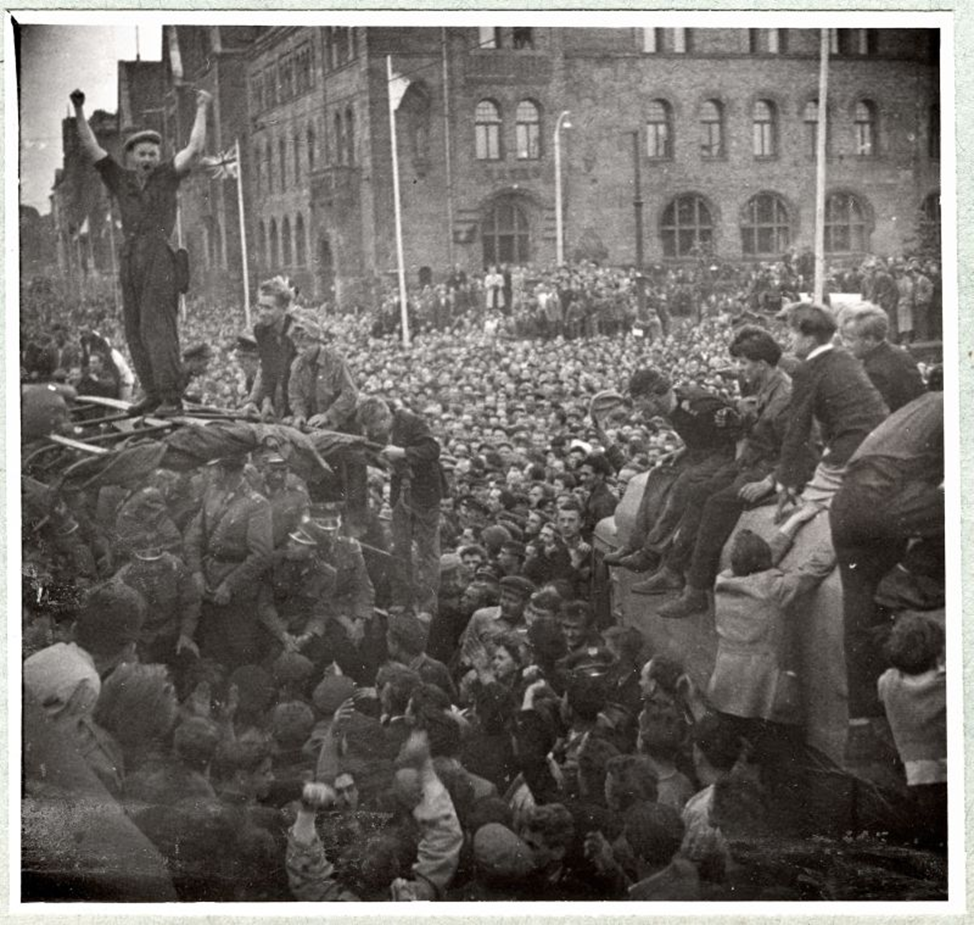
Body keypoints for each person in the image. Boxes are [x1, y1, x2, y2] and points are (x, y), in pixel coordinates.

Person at [70, 86, 212, 414]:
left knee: (157, 326)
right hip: (131, 258)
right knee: (134, 329)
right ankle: (151, 392)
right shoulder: (119, 179)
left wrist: (202, 108)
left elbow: (195, 149)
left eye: (152, 154)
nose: (147, 159)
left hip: (159, 258)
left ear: (157, 158)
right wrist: (78, 110)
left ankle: (171, 397)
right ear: (131, 157)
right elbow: (91, 146)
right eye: (141, 154)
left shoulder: (167, 176)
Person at [828, 391, 943, 758]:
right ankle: (910, 576)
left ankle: (862, 726)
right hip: (885, 501)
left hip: (847, 504)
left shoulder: (927, 403)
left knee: (859, 617)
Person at [659, 327, 797, 619]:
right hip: (752, 461)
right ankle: (673, 569)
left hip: (768, 469)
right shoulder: (765, 388)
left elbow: (800, 447)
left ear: (761, 364)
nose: (739, 369)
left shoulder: (785, 396)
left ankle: (695, 591)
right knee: (698, 490)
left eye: (744, 363)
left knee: (718, 503)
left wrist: (769, 482)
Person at [773, 303, 888, 520]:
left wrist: (785, 480)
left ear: (809, 340)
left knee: (808, 506)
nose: (789, 339)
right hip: (881, 439)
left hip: (851, 447)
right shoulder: (845, 356)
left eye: (792, 333)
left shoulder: (806, 371)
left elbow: (797, 429)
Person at [184, 453, 273, 667]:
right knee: (207, 646)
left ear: (224, 471)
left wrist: (230, 585)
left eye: (214, 469)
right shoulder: (212, 493)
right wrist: (196, 572)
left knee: (237, 649)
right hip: (206, 581)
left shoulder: (257, 505)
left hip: (237, 591)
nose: (210, 473)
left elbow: (261, 554)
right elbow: (194, 536)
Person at [357, 397, 443, 615]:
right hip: (401, 493)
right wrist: (382, 459)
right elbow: (376, 452)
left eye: (376, 427)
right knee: (400, 548)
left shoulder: (410, 421)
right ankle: (401, 599)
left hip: (425, 494)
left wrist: (403, 453)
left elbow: (433, 449)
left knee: (427, 552)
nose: (375, 432)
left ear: (385, 417)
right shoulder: (379, 431)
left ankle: (427, 604)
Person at [877, 614, 946, 849]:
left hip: (914, 774)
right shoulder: (945, 685)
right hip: (946, 772)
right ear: (938, 651)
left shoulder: (887, 683)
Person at [836, 302, 925, 412]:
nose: (844, 344)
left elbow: (871, 416)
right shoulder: (898, 353)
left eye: (849, 339)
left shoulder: (874, 372)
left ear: (869, 340)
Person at [287, 314, 360, 431]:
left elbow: (350, 394)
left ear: (317, 343)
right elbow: (295, 395)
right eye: (297, 348)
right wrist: (300, 414)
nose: (301, 352)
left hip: (343, 425)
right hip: (315, 426)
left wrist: (328, 415)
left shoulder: (336, 361)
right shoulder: (297, 366)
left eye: (305, 347)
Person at [243, 276, 299, 421]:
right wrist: (260, 400)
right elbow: (266, 368)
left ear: (284, 308)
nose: (261, 312)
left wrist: (297, 413)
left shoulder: (297, 334)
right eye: (260, 306)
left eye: (268, 307)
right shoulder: (261, 331)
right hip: (278, 402)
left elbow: (303, 379)